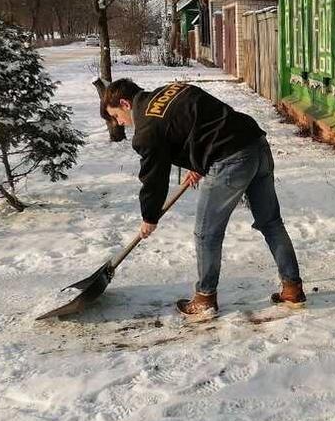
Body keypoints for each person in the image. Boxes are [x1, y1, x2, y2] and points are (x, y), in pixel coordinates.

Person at [101, 78, 304, 320]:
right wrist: (199, 162)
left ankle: (205, 298)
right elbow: (201, 121)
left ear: (124, 103)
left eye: (116, 116)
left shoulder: (146, 128)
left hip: (230, 159)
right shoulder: (172, 89)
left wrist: (149, 216)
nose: (120, 123)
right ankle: (292, 290)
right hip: (255, 144)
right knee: (270, 222)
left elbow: (154, 179)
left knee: (206, 233)